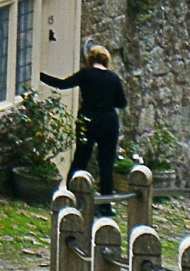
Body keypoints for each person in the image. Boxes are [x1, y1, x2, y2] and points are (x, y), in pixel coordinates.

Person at [42, 46, 128, 195]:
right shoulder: (113, 78)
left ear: (90, 59)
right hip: (108, 121)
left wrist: (40, 75)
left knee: (81, 158)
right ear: (106, 60)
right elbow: (122, 103)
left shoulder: (85, 74)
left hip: (87, 119)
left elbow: (62, 84)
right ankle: (106, 202)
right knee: (106, 163)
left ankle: (72, 193)